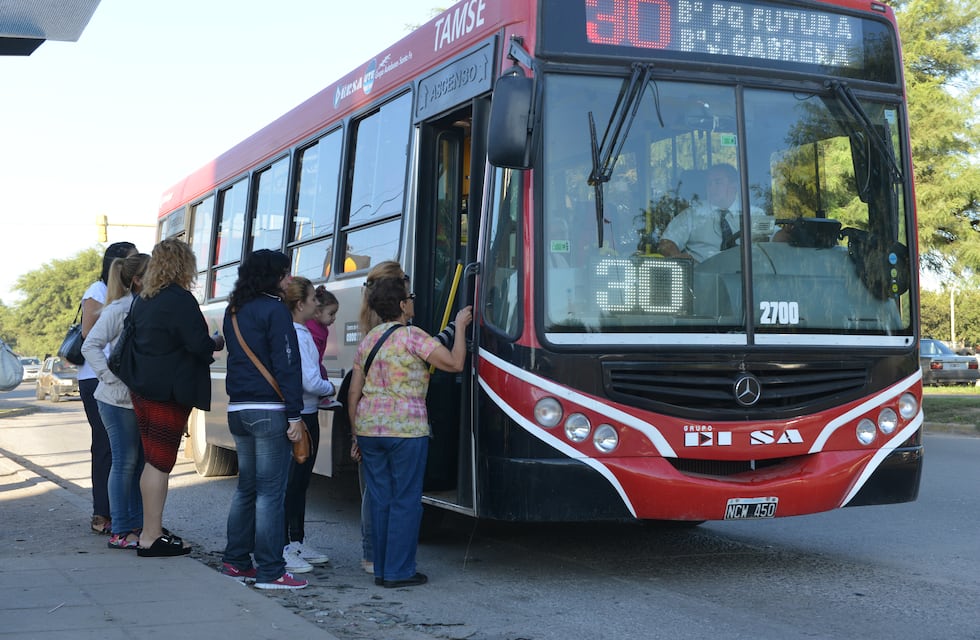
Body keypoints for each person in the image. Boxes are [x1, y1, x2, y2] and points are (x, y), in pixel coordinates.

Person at [348, 274, 472, 588]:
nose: (413, 300)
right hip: (406, 429)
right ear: (403, 305)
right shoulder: (413, 337)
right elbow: (455, 363)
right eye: (410, 296)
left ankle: (380, 568)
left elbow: (354, 391)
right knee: (405, 500)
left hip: (369, 428)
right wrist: (459, 326)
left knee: (380, 499)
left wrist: (354, 434)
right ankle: (399, 572)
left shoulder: (369, 340)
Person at [127, 239, 224, 557]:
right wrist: (215, 341)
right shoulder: (179, 299)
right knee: (160, 462)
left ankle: (149, 530)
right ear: (185, 265)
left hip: (142, 388)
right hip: (168, 392)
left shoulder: (144, 299)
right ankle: (151, 537)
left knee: (153, 460)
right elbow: (197, 344)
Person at [220, 249, 307, 590]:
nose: (289, 280)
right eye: (285, 274)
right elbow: (287, 364)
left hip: (238, 409)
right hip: (269, 411)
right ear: (271, 276)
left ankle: (236, 561)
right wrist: (296, 414)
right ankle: (271, 570)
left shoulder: (234, 311)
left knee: (246, 489)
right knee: (271, 493)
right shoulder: (276, 310)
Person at [81, 253, 150, 550]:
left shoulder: (147, 307)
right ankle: (120, 530)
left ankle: (137, 525)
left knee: (136, 466)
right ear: (136, 279)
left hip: (136, 399)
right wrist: (110, 377)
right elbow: (90, 344)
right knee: (124, 463)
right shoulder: (119, 308)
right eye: (153, 272)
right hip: (115, 399)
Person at [282, 276, 336, 574]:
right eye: (314, 299)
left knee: (298, 483)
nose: (318, 304)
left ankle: (295, 541)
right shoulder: (300, 336)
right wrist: (330, 389)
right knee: (295, 483)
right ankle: (288, 545)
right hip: (305, 412)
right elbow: (310, 380)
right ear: (300, 304)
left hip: (303, 410)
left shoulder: (296, 332)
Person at [657, 163, 746, 263]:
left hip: (746, 275)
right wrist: (679, 258)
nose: (711, 188)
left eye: (718, 182)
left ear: (734, 186)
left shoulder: (753, 215)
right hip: (700, 276)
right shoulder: (692, 214)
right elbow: (666, 243)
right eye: (709, 183)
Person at [305, 285, 339, 381]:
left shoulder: (323, 329)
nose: (334, 317)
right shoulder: (311, 328)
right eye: (331, 314)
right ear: (317, 312)